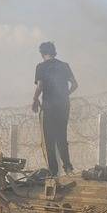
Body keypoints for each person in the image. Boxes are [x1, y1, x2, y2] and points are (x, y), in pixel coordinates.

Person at [32, 41, 78, 176]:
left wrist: (35, 99)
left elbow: (40, 86)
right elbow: (75, 84)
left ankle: (53, 171)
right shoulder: (64, 66)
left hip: (49, 106)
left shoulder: (41, 67)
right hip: (63, 105)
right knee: (62, 136)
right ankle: (68, 168)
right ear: (54, 51)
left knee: (49, 139)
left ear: (42, 53)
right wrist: (65, 95)